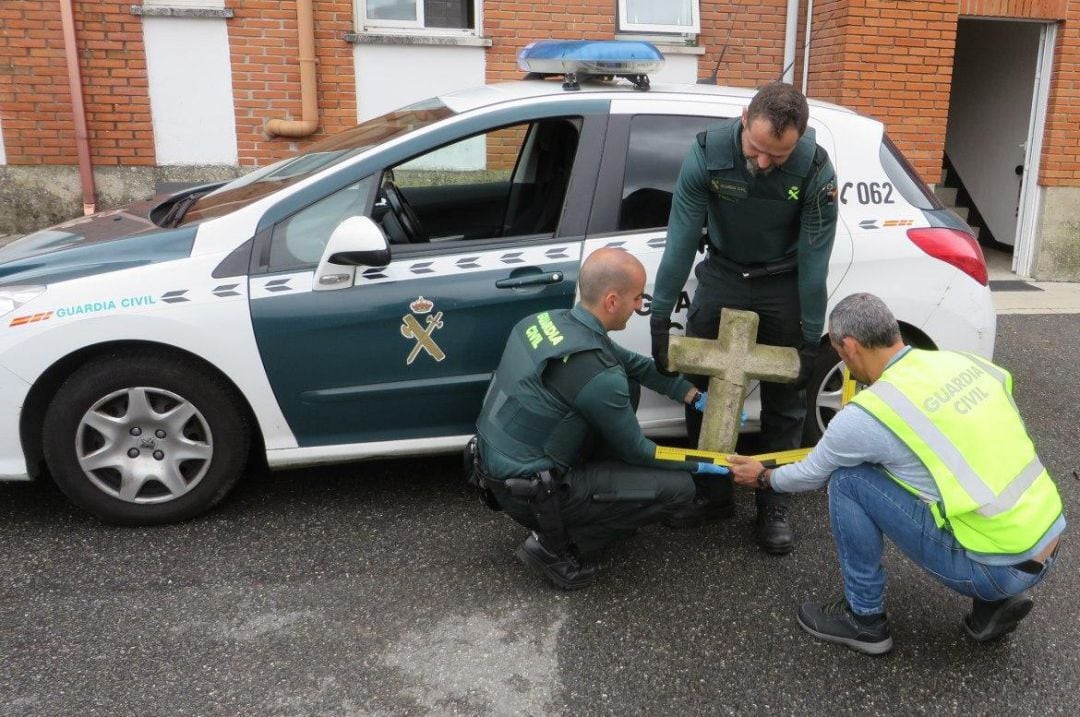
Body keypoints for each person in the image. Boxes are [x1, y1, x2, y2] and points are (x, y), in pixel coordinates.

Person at [728, 293, 1064, 655]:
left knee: (848, 480)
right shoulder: (969, 364)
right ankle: (995, 604)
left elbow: (811, 473)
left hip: (994, 568)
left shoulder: (870, 413)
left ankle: (865, 620)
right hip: (1048, 539)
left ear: (849, 347)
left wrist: (763, 477)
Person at [650, 81, 839, 553]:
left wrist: (812, 338)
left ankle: (774, 505)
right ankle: (712, 494)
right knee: (701, 387)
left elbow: (816, 263)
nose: (762, 162)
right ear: (742, 118)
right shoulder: (706, 154)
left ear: (800, 138)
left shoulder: (816, 169)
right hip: (724, 273)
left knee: (787, 399)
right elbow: (679, 240)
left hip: (783, 283)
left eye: (777, 156)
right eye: (756, 148)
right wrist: (658, 318)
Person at [473, 248, 729, 590]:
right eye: (637, 298)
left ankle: (599, 496)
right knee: (679, 488)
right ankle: (555, 544)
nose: (641, 306)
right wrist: (699, 462)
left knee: (629, 384)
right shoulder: (597, 375)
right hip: (535, 494)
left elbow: (634, 365)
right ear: (611, 301)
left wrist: (693, 395)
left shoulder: (548, 322)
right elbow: (640, 452)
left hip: (496, 469)